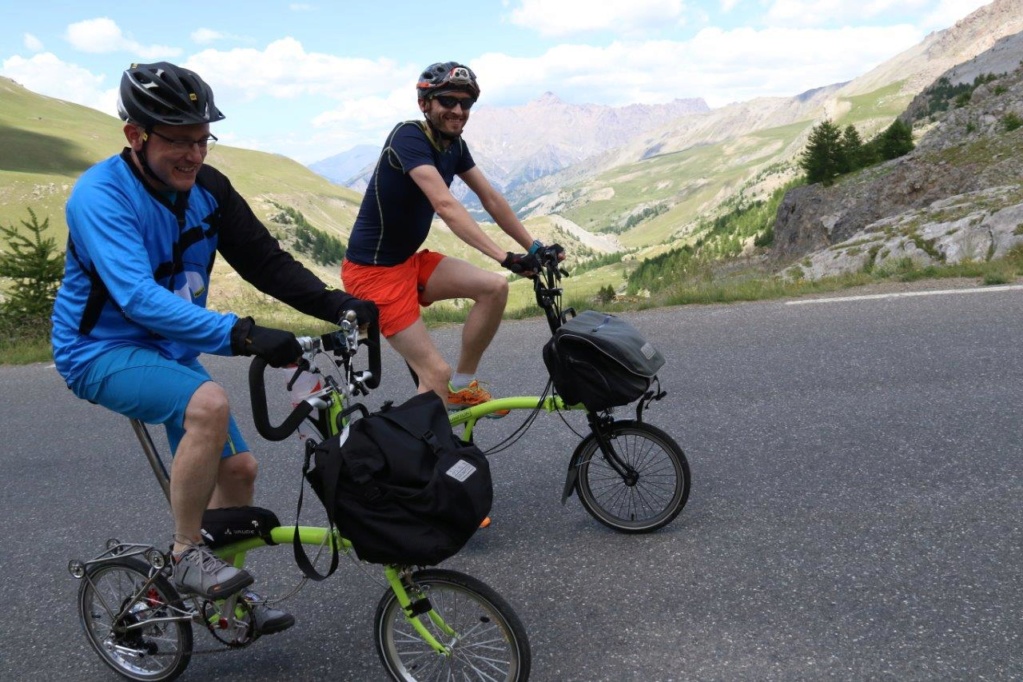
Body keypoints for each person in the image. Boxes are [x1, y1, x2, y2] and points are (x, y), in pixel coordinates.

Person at [51, 61, 377, 635]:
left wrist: (336, 303)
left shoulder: (209, 189)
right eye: (178, 141)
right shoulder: (100, 196)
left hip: (169, 348)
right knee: (208, 404)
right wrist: (244, 335)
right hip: (97, 351)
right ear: (135, 135)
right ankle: (184, 554)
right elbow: (136, 298)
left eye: (202, 140)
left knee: (241, 471)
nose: (194, 155)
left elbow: (263, 261)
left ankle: (215, 605)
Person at [342, 61, 563, 414]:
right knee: (434, 376)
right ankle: (415, 458)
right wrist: (504, 257)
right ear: (425, 104)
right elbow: (445, 204)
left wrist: (533, 247)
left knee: (494, 288)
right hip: (373, 275)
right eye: (448, 101)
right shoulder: (409, 137)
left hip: (407, 263)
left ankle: (462, 387)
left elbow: (490, 198)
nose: (458, 111)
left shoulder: (454, 146)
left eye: (466, 103)